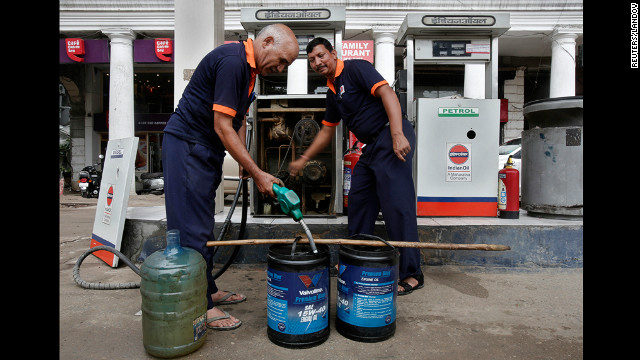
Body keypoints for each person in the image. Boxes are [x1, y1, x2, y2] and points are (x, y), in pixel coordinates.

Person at [162, 24, 299, 330]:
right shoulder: (233, 62)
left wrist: (242, 163)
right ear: (266, 42)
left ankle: (208, 289)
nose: (281, 68)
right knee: (190, 230)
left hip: (205, 149)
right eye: (282, 60)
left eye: (287, 65)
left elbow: (238, 120)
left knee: (202, 226)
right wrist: (257, 172)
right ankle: (201, 306)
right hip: (188, 145)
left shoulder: (250, 73)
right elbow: (222, 124)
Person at [288, 37, 424, 296]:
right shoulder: (332, 92)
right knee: (360, 200)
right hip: (371, 147)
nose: (318, 62)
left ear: (333, 53)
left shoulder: (355, 68)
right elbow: (327, 131)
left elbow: (387, 93)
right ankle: (356, 258)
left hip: (390, 136)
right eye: (312, 60)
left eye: (321, 55)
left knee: (398, 206)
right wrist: (303, 159)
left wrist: (397, 133)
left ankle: (412, 273)